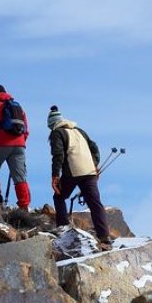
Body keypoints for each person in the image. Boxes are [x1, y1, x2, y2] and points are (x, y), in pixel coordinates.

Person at [47, 106, 112, 248]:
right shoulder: (79, 131)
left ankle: (63, 227)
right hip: (89, 172)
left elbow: (58, 155)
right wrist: (94, 164)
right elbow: (94, 147)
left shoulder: (57, 133)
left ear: (52, 124)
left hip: (73, 171)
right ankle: (104, 236)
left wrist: (55, 176)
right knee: (95, 203)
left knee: (59, 196)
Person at [0, 84, 31, 209]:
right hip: (19, 145)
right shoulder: (17, 106)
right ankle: (24, 207)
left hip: (0, 143)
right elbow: (26, 129)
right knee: (20, 178)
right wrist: (21, 142)